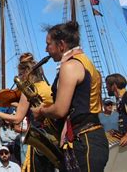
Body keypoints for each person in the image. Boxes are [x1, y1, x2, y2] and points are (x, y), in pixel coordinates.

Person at [30, 21, 109, 172]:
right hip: (90, 139)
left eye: (48, 44)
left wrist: (41, 111)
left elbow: (60, 110)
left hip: (83, 142)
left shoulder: (70, 66)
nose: (46, 49)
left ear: (61, 45)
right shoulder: (85, 62)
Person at [0, 52, 55, 172]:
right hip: (51, 137)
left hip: (38, 138)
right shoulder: (47, 86)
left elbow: (17, 118)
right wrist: (12, 103)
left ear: (27, 72)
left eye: (20, 74)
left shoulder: (29, 89)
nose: (19, 78)